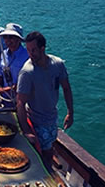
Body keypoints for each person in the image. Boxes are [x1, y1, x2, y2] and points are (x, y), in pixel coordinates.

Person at [16, 31, 74, 171]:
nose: (30, 53)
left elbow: (66, 88)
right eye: (28, 50)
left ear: (43, 48)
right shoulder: (27, 72)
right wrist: (26, 130)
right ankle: (49, 174)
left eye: (34, 50)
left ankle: (49, 157)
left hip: (52, 117)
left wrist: (70, 112)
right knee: (44, 154)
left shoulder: (57, 64)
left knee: (51, 144)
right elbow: (20, 102)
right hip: (37, 120)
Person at [0, 23, 29, 100]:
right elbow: (0, 76)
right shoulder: (3, 54)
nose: (8, 40)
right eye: (5, 37)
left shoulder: (27, 57)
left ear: (18, 39)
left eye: (11, 37)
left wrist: (0, 90)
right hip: (4, 97)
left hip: (21, 99)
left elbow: (24, 83)